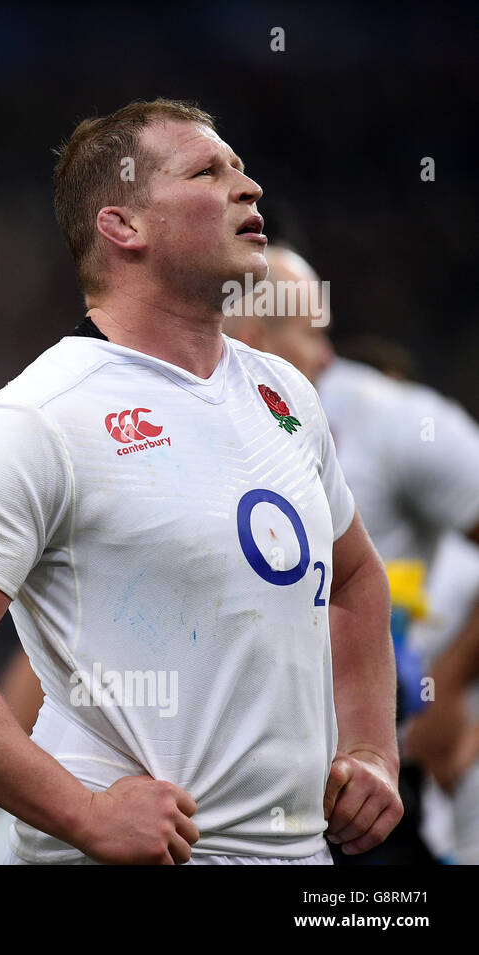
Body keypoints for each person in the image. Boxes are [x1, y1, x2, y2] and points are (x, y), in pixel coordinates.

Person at [0, 98, 403, 864]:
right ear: (123, 226)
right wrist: (82, 812)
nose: (247, 187)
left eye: (241, 168)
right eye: (207, 172)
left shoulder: (283, 394)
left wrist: (372, 747)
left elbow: (354, 575)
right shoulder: (43, 414)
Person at [226, 244, 479, 863]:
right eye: (314, 334)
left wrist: (447, 687)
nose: (328, 356)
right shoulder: (168, 441)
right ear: (255, 340)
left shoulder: (388, 418)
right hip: (229, 794)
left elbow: (356, 580)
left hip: (364, 787)